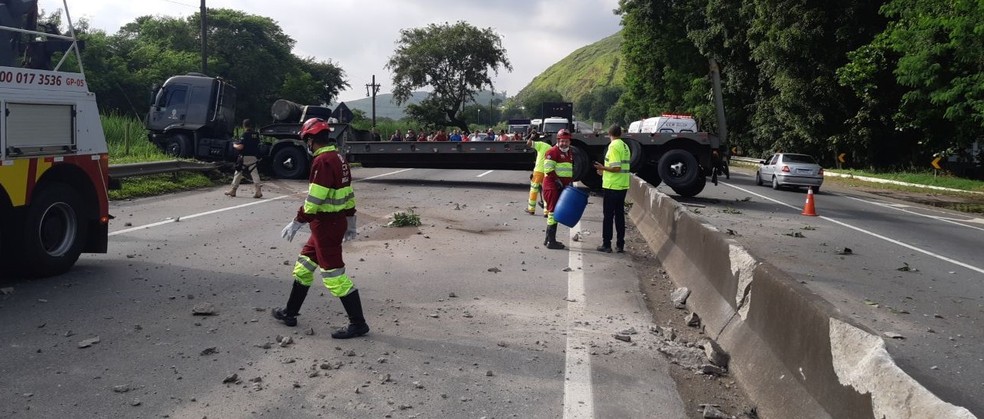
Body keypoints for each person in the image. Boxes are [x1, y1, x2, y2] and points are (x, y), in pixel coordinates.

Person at [274, 117, 370, 339]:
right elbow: (347, 193)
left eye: (306, 141)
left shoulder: (323, 161)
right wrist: (351, 220)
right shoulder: (338, 158)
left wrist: (298, 221)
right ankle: (290, 313)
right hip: (329, 224)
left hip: (327, 225)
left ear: (310, 141)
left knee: (334, 275)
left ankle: (358, 323)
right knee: (304, 267)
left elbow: (315, 199)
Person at [592, 124, 631, 253]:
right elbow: (619, 168)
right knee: (619, 216)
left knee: (608, 216)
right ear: (620, 133)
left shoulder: (613, 146)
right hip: (622, 185)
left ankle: (606, 244)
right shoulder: (625, 146)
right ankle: (620, 245)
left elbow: (616, 168)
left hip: (612, 186)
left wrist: (602, 168)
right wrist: (604, 171)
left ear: (609, 134)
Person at [541, 129, 574, 249]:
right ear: (558, 141)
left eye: (566, 141)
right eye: (562, 141)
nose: (564, 143)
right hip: (552, 186)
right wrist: (557, 181)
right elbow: (549, 170)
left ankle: (547, 239)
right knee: (553, 212)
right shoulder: (552, 152)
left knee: (554, 212)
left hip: (562, 187)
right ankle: (551, 241)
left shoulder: (569, 152)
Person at [225, 119, 262, 198]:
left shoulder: (245, 134)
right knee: (254, 173)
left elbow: (241, 147)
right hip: (253, 157)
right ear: (251, 125)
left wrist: (234, 145)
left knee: (238, 172)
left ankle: (233, 190)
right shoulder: (256, 134)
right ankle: (258, 191)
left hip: (244, 157)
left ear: (244, 125)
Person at [525, 129, 550, 215]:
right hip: (547, 172)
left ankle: (531, 209)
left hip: (538, 171)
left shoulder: (541, 144)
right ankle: (546, 211)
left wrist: (531, 136)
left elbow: (528, 143)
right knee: (546, 191)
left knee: (534, 190)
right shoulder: (552, 148)